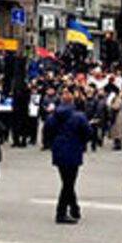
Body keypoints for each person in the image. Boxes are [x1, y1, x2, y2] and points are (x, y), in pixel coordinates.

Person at [42, 90, 93, 224]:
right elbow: (88, 132)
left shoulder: (53, 117)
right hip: (74, 150)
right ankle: (61, 212)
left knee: (67, 181)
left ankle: (74, 208)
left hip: (59, 151)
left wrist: (53, 144)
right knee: (68, 183)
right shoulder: (79, 116)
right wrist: (81, 143)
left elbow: (47, 132)